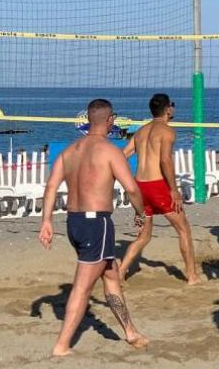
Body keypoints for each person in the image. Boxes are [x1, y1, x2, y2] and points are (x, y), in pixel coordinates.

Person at [39, 99, 148, 356]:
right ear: (110, 121)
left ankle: (130, 331)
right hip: (95, 223)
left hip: (74, 222)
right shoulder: (110, 151)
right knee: (83, 286)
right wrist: (140, 214)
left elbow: (52, 186)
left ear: (88, 120)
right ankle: (62, 345)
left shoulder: (69, 151)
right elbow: (131, 187)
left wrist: (46, 221)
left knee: (111, 274)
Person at [119, 93, 201, 285]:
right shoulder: (166, 131)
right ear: (168, 109)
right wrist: (174, 189)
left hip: (140, 186)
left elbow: (123, 155)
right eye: (172, 105)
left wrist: (123, 181)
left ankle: (121, 271)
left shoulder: (141, 131)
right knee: (183, 230)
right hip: (157, 185)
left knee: (144, 235)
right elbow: (165, 160)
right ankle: (192, 276)